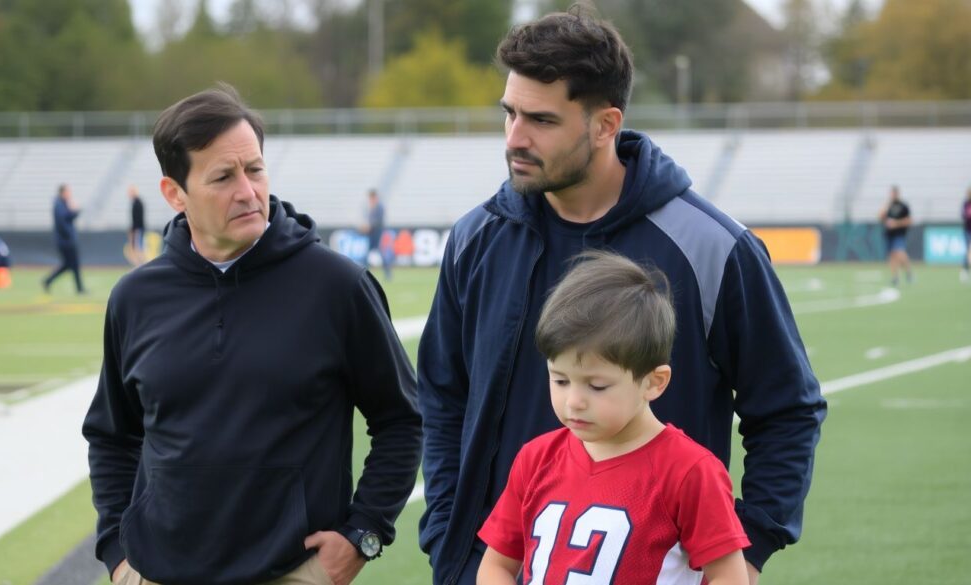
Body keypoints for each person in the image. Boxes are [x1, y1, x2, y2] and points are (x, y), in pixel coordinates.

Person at [417, 6, 826, 585]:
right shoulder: (474, 239)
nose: (515, 138)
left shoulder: (712, 247)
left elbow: (788, 409)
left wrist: (746, 549)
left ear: (606, 124)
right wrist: (446, 537)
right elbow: (441, 396)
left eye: (541, 119)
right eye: (508, 113)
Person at [82, 84, 422, 585]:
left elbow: (402, 421)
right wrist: (117, 553)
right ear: (175, 194)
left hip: (293, 572)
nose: (248, 191)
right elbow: (112, 436)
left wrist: (363, 534)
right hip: (156, 573)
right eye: (223, 176)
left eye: (255, 169)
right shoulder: (135, 299)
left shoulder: (336, 286)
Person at [477, 251, 750, 585]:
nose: (574, 402)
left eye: (597, 385)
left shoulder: (690, 472)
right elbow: (497, 566)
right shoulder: (535, 458)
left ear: (654, 382)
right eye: (560, 380)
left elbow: (728, 577)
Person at [42, 183, 85, 294]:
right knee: (73, 264)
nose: (69, 194)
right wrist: (75, 211)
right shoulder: (59, 204)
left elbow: (68, 217)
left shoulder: (62, 203)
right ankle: (79, 289)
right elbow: (62, 222)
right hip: (65, 241)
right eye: (68, 192)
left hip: (66, 240)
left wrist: (75, 211)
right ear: (63, 192)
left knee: (68, 265)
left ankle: (48, 281)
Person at [878, 185, 914, 287]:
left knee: (900, 253)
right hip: (889, 234)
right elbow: (880, 217)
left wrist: (896, 223)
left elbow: (909, 221)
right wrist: (884, 208)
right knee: (892, 256)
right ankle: (895, 277)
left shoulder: (903, 206)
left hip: (899, 233)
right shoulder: (888, 206)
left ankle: (909, 272)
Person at [361, 188, 392, 281]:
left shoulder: (379, 207)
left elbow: (378, 221)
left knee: (379, 253)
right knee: (369, 254)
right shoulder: (372, 207)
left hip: (377, 233)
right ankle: (365, 273)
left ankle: (387, 273)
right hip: (372, 233)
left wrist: (370, 227)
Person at [127, 184, 146, 266]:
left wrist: (133, 230)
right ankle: (140, 265)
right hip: (138, 228)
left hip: (138, 229)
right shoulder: (137, 202)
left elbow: (137, 219)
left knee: (139, 247)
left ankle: (140, 265)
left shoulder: (137, 203)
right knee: (138, 247)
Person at [961, 187, 971, 282]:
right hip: (967, 230)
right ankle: (965, 270)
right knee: (968, 250)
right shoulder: (965, 204)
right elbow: (964, 215)